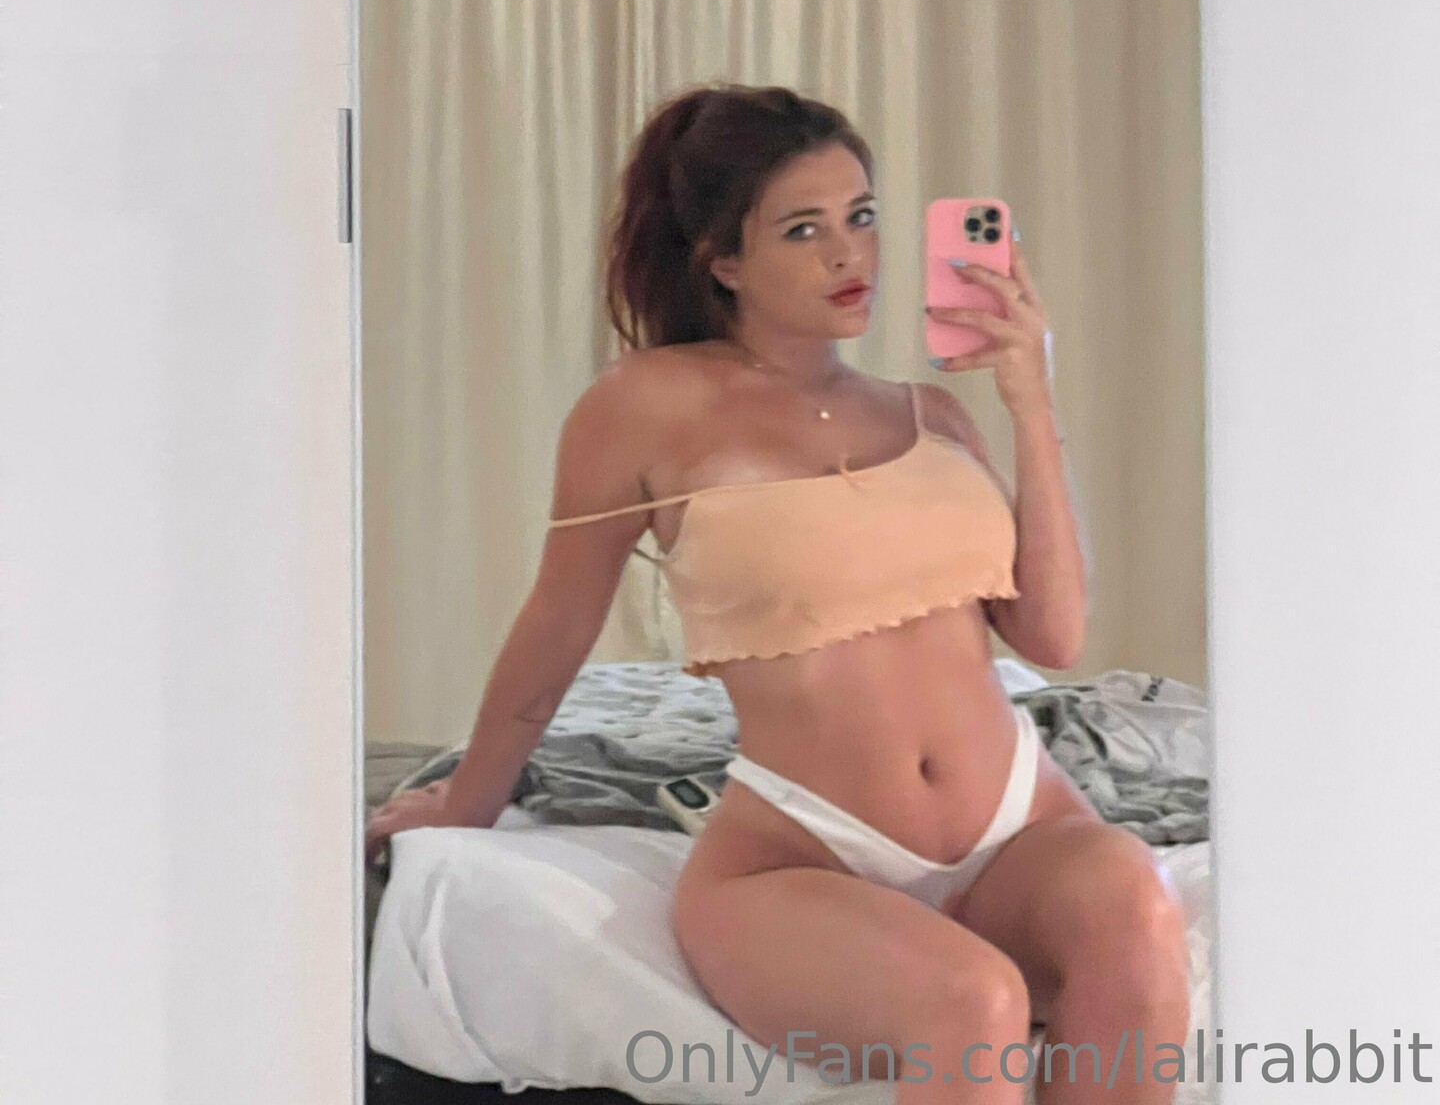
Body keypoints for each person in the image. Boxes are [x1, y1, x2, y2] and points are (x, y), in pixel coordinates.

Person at [366, 84, 1191, 1102]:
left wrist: (1031, 398)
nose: (849, 255)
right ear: (723, 260)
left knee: (1140, 911)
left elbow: (1054, 636)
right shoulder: (643, 406)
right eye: (804, 230)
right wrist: (468, 802)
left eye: (862, 216)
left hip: (1017, 825)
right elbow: (557, 625)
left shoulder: (932, 414)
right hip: (802, 853)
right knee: (969, 1001)